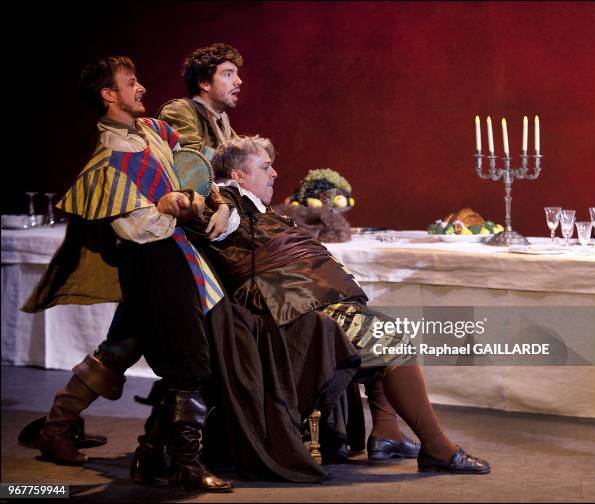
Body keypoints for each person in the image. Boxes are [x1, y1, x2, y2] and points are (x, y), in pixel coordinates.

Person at [22, 57, 361, 489]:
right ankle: (146, 451)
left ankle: (124, 445)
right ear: (109, 95)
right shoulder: (110, 161)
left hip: (183, 261)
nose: (141, 87)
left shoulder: (155, 133)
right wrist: (169, 207)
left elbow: (198, 174)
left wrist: (211, 201)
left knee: (131, 346)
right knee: (170, 355)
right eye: (131, 83)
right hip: (151, 267)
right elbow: (135, 226)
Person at [161, 43, 418, 462]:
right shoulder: (183, 115)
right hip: (255, 296)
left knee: (374, 322)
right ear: (204, 81)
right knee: (128, 345)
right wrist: (216, 194)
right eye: (228, 73)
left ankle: (387, 431)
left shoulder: (224, 125)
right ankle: (67, 421)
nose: (238, 80)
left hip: (267, 267)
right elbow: (193, 169)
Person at [185, 136, 492, 474]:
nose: (274, 174)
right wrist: (225, 197)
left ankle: (387, 434)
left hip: (307, 302)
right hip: (290, 314)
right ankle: (438, 448)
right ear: (239, 177)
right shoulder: (229, 204)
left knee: (381, 324)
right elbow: (211, 201)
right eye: (265, 167)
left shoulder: (259, 211)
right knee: (390, 338)